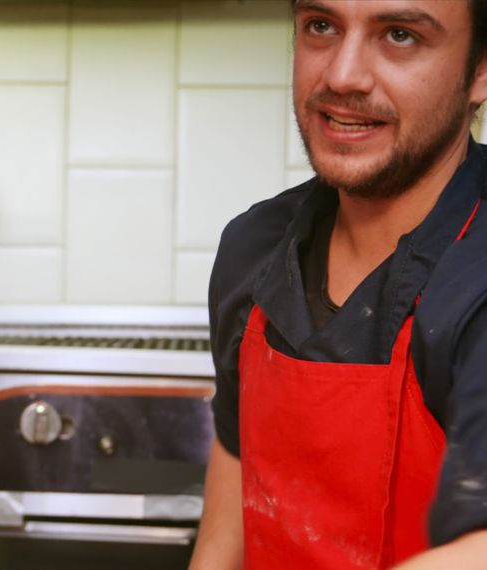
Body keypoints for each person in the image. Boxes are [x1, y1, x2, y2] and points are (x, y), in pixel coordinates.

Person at [190, 0, 487, 568]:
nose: (342, 75)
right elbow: (228, 520)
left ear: (479, 69)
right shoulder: (254, 247)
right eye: (321, 26)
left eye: (400, 35)